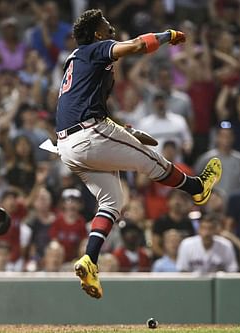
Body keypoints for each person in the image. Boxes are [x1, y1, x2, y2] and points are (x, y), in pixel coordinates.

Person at [55, 9, 222, 299]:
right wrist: (166, 36)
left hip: (68, 146)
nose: (111, 28)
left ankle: (90, 260)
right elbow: (136, 46)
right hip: (88, 134)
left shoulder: (76, 59)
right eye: (106, 25)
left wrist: (128, 133)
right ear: (96, 33)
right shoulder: (96, 49)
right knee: (151, 160)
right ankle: (197, 188)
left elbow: (87, 106)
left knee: (114, 200)